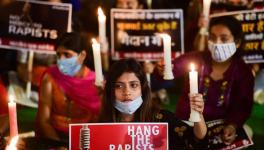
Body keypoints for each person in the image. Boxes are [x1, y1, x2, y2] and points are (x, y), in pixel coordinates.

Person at [150, 15, 254, 146]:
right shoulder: (197, 58)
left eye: (224, 38)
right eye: (212, 37)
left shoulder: (243, 72)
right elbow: (171, 70)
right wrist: (163, 69)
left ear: (237, 42)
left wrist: (232, 126)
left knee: (247, 132)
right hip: (188, 122)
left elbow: (242, 107)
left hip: (220, 126)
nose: (217, 43)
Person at [99, 58, 207, 150]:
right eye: (119, 86)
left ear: (143, 88)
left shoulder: (163, 119)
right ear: (110, 90)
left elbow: (197, 140)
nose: (127, 92)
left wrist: (198, 113)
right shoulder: (101, 126)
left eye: (133, 85)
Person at [36, 32, 101, 145]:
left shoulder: (97, 83)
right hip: (53, 137)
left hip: (84, 139)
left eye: (67, 55)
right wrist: (59, 146)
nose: (61, 60)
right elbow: (43, 121)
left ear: (82, 56)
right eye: (58, 55)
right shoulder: (50, 77)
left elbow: (100, 122)